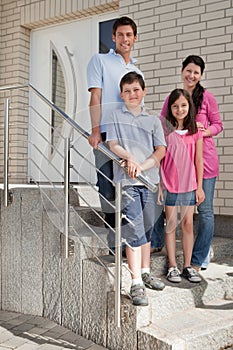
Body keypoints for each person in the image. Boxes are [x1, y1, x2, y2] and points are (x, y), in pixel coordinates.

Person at [107, 72, 166, 305]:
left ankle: (145, 272)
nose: (132, 94)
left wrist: (142, 166)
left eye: (136, 90)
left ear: (144, 91)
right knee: (134, 229)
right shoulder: (114, 116)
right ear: (122, 94)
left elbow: (160, 150)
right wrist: (130, 157)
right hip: (127, 182)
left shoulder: (153, 120)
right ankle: (135, 283)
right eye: (128, 90)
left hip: (149, 181)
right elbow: (112, 144)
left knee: (148, 228)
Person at [161, 55, 223, 270]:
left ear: (201, 75)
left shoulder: (207, 98)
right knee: (171, 212)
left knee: (204, 211)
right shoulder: (175, 99)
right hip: (178, 167)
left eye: (196, 72)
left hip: (204, 163)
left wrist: (206, 132)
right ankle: (165, 251)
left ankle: (198, 259)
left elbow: (218, 125)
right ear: (182, 71)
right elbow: (163, 125)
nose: (192, 75)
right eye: (188, 70)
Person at [86, 16, 143, 250]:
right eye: (120, 34)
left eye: (129, 34)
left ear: (135, 38)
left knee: (130, 188)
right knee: (107, 186)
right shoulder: (99, 60)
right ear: (113, 37)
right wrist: (96, 130)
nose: (124, 39)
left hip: (130, 136)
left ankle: (131, 241)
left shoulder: (136, 69)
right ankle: (113, 241)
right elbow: (96, 96)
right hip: (107, 133)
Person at [159, 88, 205, 283]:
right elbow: (160, 159)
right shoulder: (164, 130)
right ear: (170, 108)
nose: (180, 109)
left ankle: (187, 266)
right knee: (170, 225)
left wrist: (200, 187)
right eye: (175, 106)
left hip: (189, 186)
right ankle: (172, 266)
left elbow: (199, 161)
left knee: (187, 224)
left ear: (189, 107)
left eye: (183, 105)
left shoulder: (196, 130)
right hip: (169, 184)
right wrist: (160, 186)